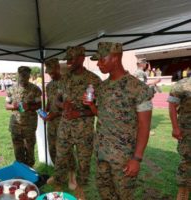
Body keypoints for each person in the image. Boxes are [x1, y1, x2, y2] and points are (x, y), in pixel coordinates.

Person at [86, 42, 154, 200]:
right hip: (101, 153)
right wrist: (91, 106)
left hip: (123, 158)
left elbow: (144, 126)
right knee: (105, 192)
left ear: (115, 58)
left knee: (124, 195)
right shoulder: (102, 87)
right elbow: (102, 115)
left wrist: (137, 158)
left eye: (102, 59)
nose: (98, 63)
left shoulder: (138, 88)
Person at [47, 46, 101, 199]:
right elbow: (57, 98)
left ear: (82, 58)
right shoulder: (64, 78)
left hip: (84, 129)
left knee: (84, 161)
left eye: (72, 58)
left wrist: (80, 112)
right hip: (65, 127)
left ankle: (81, 187)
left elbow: (99, 109)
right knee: (61, 156)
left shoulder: (94, 80)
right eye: (68, 58)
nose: (69, 61)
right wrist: (62, 104)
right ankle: (59, 179)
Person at [5, 66, 42, 167]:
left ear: (29, 76)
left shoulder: (35, 89)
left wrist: (29, 106)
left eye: (26, 76)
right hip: (15, 125)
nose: (23, 78)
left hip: (29, 126)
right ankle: (21, 171)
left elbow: (39, 105)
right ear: (18, 75)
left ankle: (30, 173)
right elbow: (6, 105)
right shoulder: (11, 89)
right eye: (21, 75)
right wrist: (13, 106)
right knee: (18, 151)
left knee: (29, 150)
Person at [167, 77, 191, 200]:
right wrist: (175, 128)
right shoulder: (182, 85)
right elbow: (172, 106)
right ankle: (183, 191)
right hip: (188, 131)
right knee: (187, 161)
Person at [43, 58, 63, 164]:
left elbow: (73, 107)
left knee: (65, 150)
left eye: (52, 71)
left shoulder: (67, 83)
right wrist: (45, 111)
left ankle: (71, 176)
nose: (51, 74)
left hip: (64, 122)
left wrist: (56, 114)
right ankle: (58, 172)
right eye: (49, 72)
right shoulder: (49, 86)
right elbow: (49, 102)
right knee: (52, 148)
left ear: (58, 68)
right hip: (51, 122)